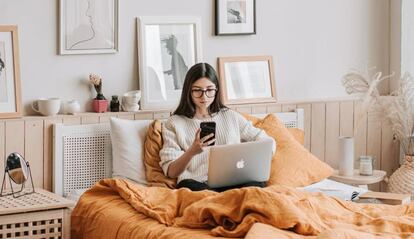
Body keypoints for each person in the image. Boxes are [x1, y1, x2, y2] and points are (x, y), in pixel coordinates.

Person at [159, 63, 276, 192]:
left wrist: (255, 156)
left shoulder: (231, 116)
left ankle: (227, 205)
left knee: (257, 186)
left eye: (209, 90)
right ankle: (227, 206)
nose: (204, 97)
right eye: (197, 90)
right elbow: (171, 172)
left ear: (217, 89)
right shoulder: (173, 123)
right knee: (192, 189)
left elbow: (267, 142)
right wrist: (191, 152)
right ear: (188, 91)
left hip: (233, 181)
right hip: (197, 184)